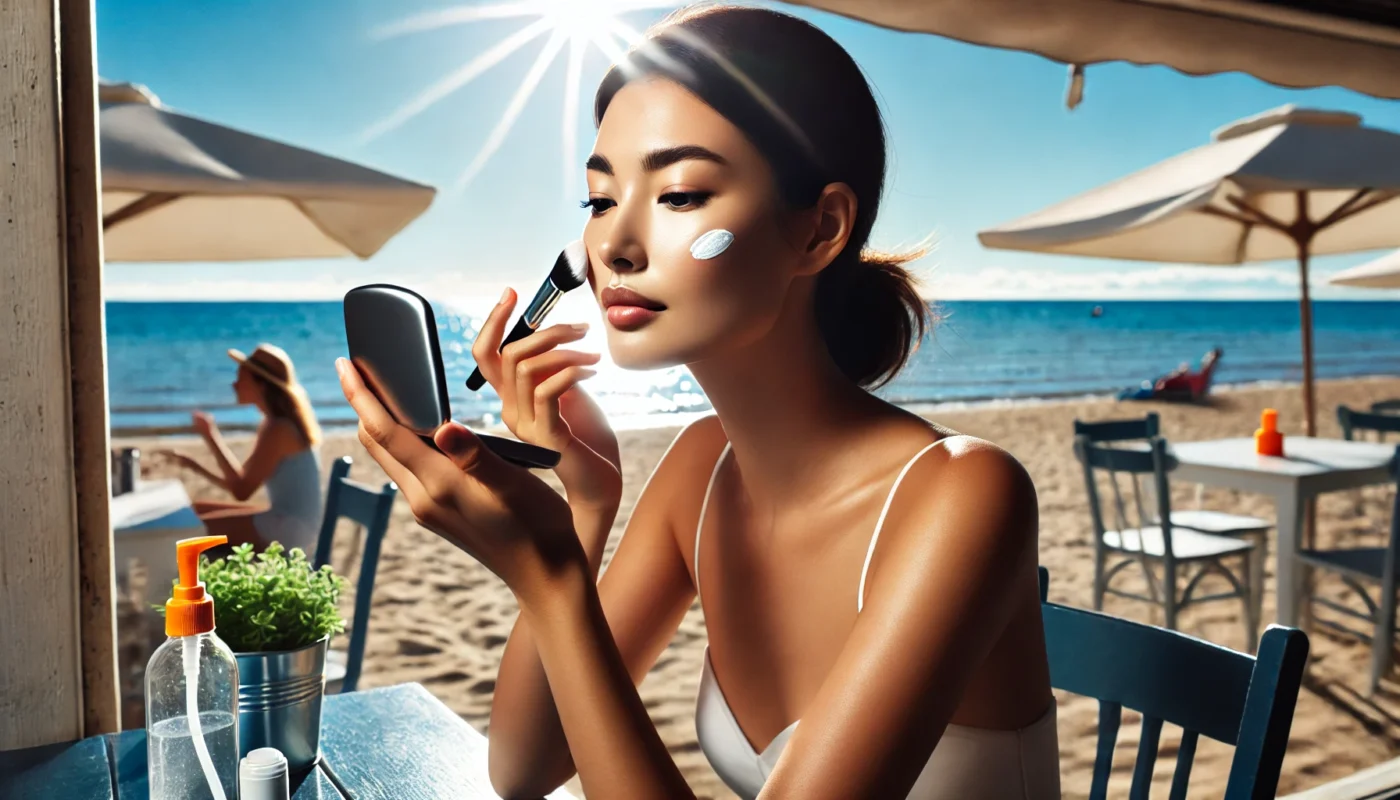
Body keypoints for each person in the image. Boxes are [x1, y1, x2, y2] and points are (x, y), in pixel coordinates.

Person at [335, 6, 1058, 798]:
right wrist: (583, 505)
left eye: (679, 194)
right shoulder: (701, 467)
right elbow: (525, 769)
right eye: (601, 201)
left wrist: (550, 579)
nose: (613, 246)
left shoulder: (963, 496)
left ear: (820, 230)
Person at [158, 344, 324, 555]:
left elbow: (241, 492)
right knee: (193, 511)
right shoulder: (275, 424)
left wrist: (211, 436)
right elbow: (238, 484)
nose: (234, 385)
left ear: (261, 384)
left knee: (188, 529)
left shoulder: (279, 430)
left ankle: (176, 584)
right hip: (290, 522)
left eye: (241, 378)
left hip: (292, 530)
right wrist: (195, 465)